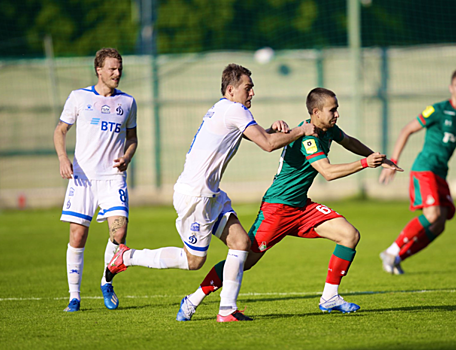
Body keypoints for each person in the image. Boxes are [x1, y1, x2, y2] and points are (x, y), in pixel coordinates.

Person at [105, 63, 317, 322]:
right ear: (231, 89)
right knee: (194, 261)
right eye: (248, 88)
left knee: (241, 243)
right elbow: (268, 145)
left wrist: (272, 129)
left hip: (210, 194)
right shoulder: (234, 110)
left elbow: (262, 136)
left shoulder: (225, 108)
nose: (252, 94)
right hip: (195, 196)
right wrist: (301, 130)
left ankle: (227, 310)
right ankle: (126, 256)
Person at [174, 87, 402, 321]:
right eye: (332, 110)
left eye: (337, 110)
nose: (337, 115)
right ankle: (193, 299)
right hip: (277, 210)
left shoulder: (328, 130)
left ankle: (330, 298)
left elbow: (349, 141)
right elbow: (328, 172)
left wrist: (380, 158)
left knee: (349, 235)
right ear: (316, 112)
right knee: (244, 260)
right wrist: (365, 163)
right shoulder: (309, 138)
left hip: (301, 208)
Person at [54, 48, 138, 312]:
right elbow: (60, 130)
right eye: (112, 68)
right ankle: (74, 296)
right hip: (83, 178)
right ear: (99, 70)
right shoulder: (79, 97)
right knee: (78, 236)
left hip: (113, 178)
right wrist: (62, 158)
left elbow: (133, 138)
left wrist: (127, 157)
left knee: (119, 232)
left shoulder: (128, 102)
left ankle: (106, 280)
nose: (117, 73)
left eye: (120, 68)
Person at [378, 68, 456, 275]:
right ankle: (391, 250)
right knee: (432, 214)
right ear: (451, 88)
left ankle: (397, 258)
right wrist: (393, 161)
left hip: (440, 174)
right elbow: (407, 130)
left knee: (440, 223)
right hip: (424, 168)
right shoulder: (437, 110)